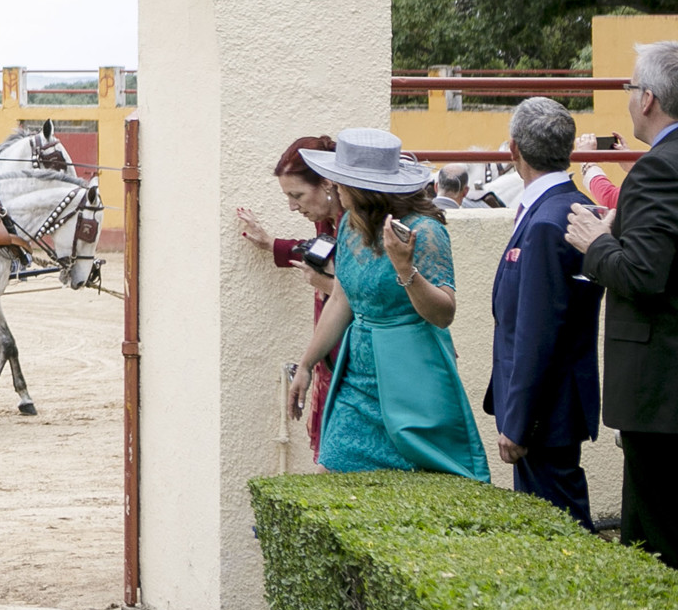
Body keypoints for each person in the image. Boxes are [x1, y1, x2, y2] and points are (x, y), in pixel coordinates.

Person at [287, 128, 489, 481]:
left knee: (422, 485)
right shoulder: (350, 224)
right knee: (329, 474)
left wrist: (405, 268)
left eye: (340, 182)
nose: (334, 188)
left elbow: (444, 314)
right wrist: (306, 364)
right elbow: (342, 299)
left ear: (361, 188)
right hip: (357, 380)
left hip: (412, 376)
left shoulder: (425, 231)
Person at [566, 41, 678, 566]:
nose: (630, 98)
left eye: (632, 88)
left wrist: (596, 244)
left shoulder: (658, 169)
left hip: (661, 396)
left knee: (655, 546)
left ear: (648, 98)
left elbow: (644, 275)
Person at [483, 98, 603, 529]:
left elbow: (537, 333)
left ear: (514, 149)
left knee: (560, 529)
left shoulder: (549, 220)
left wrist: (519, 424)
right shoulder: (567, 206)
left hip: (546, 415)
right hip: (552, 408)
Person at [236, 136, 340, 457]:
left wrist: (323, 284)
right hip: (332, 354)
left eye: (297, 195)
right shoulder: (329, 218)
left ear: (327, 184)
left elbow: (363, 293)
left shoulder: (356, 224)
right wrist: (272, 244)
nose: (293, 207)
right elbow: (322, 255)